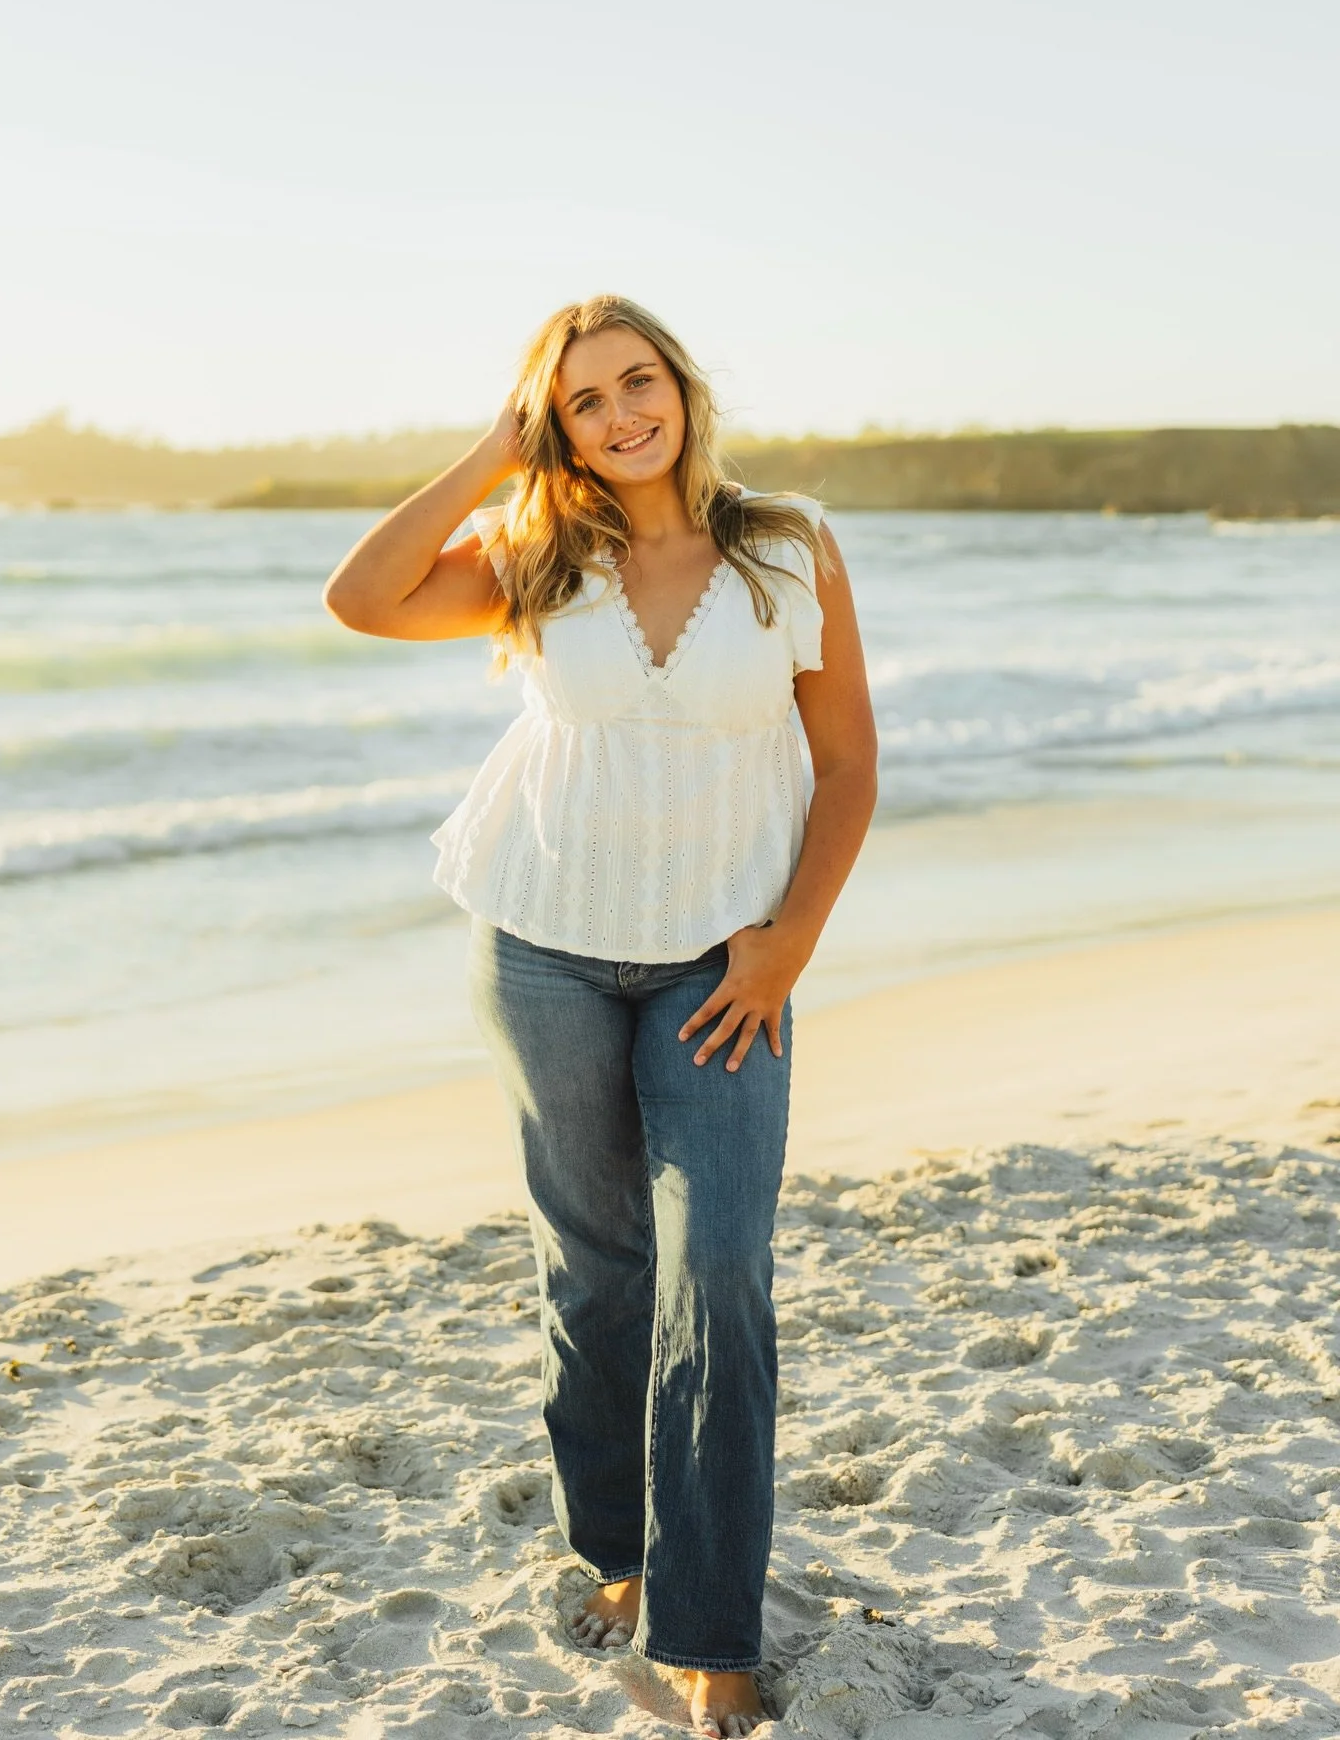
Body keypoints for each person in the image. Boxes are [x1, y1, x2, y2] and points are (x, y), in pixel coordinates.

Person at [324, 295, 878, 1736]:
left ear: (683, 389)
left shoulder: (787, 543)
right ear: (550, 425)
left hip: (723, 971)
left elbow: (849, 768)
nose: (622, 413)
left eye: (641, 382)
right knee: (597, 1274)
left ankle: (713, 1637)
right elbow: (362, 597)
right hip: (546, 952)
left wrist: (784, 951)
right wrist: (490, 461)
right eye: (582, 401)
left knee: (722, 1282)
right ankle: (624, 1558)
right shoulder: (533, 552)